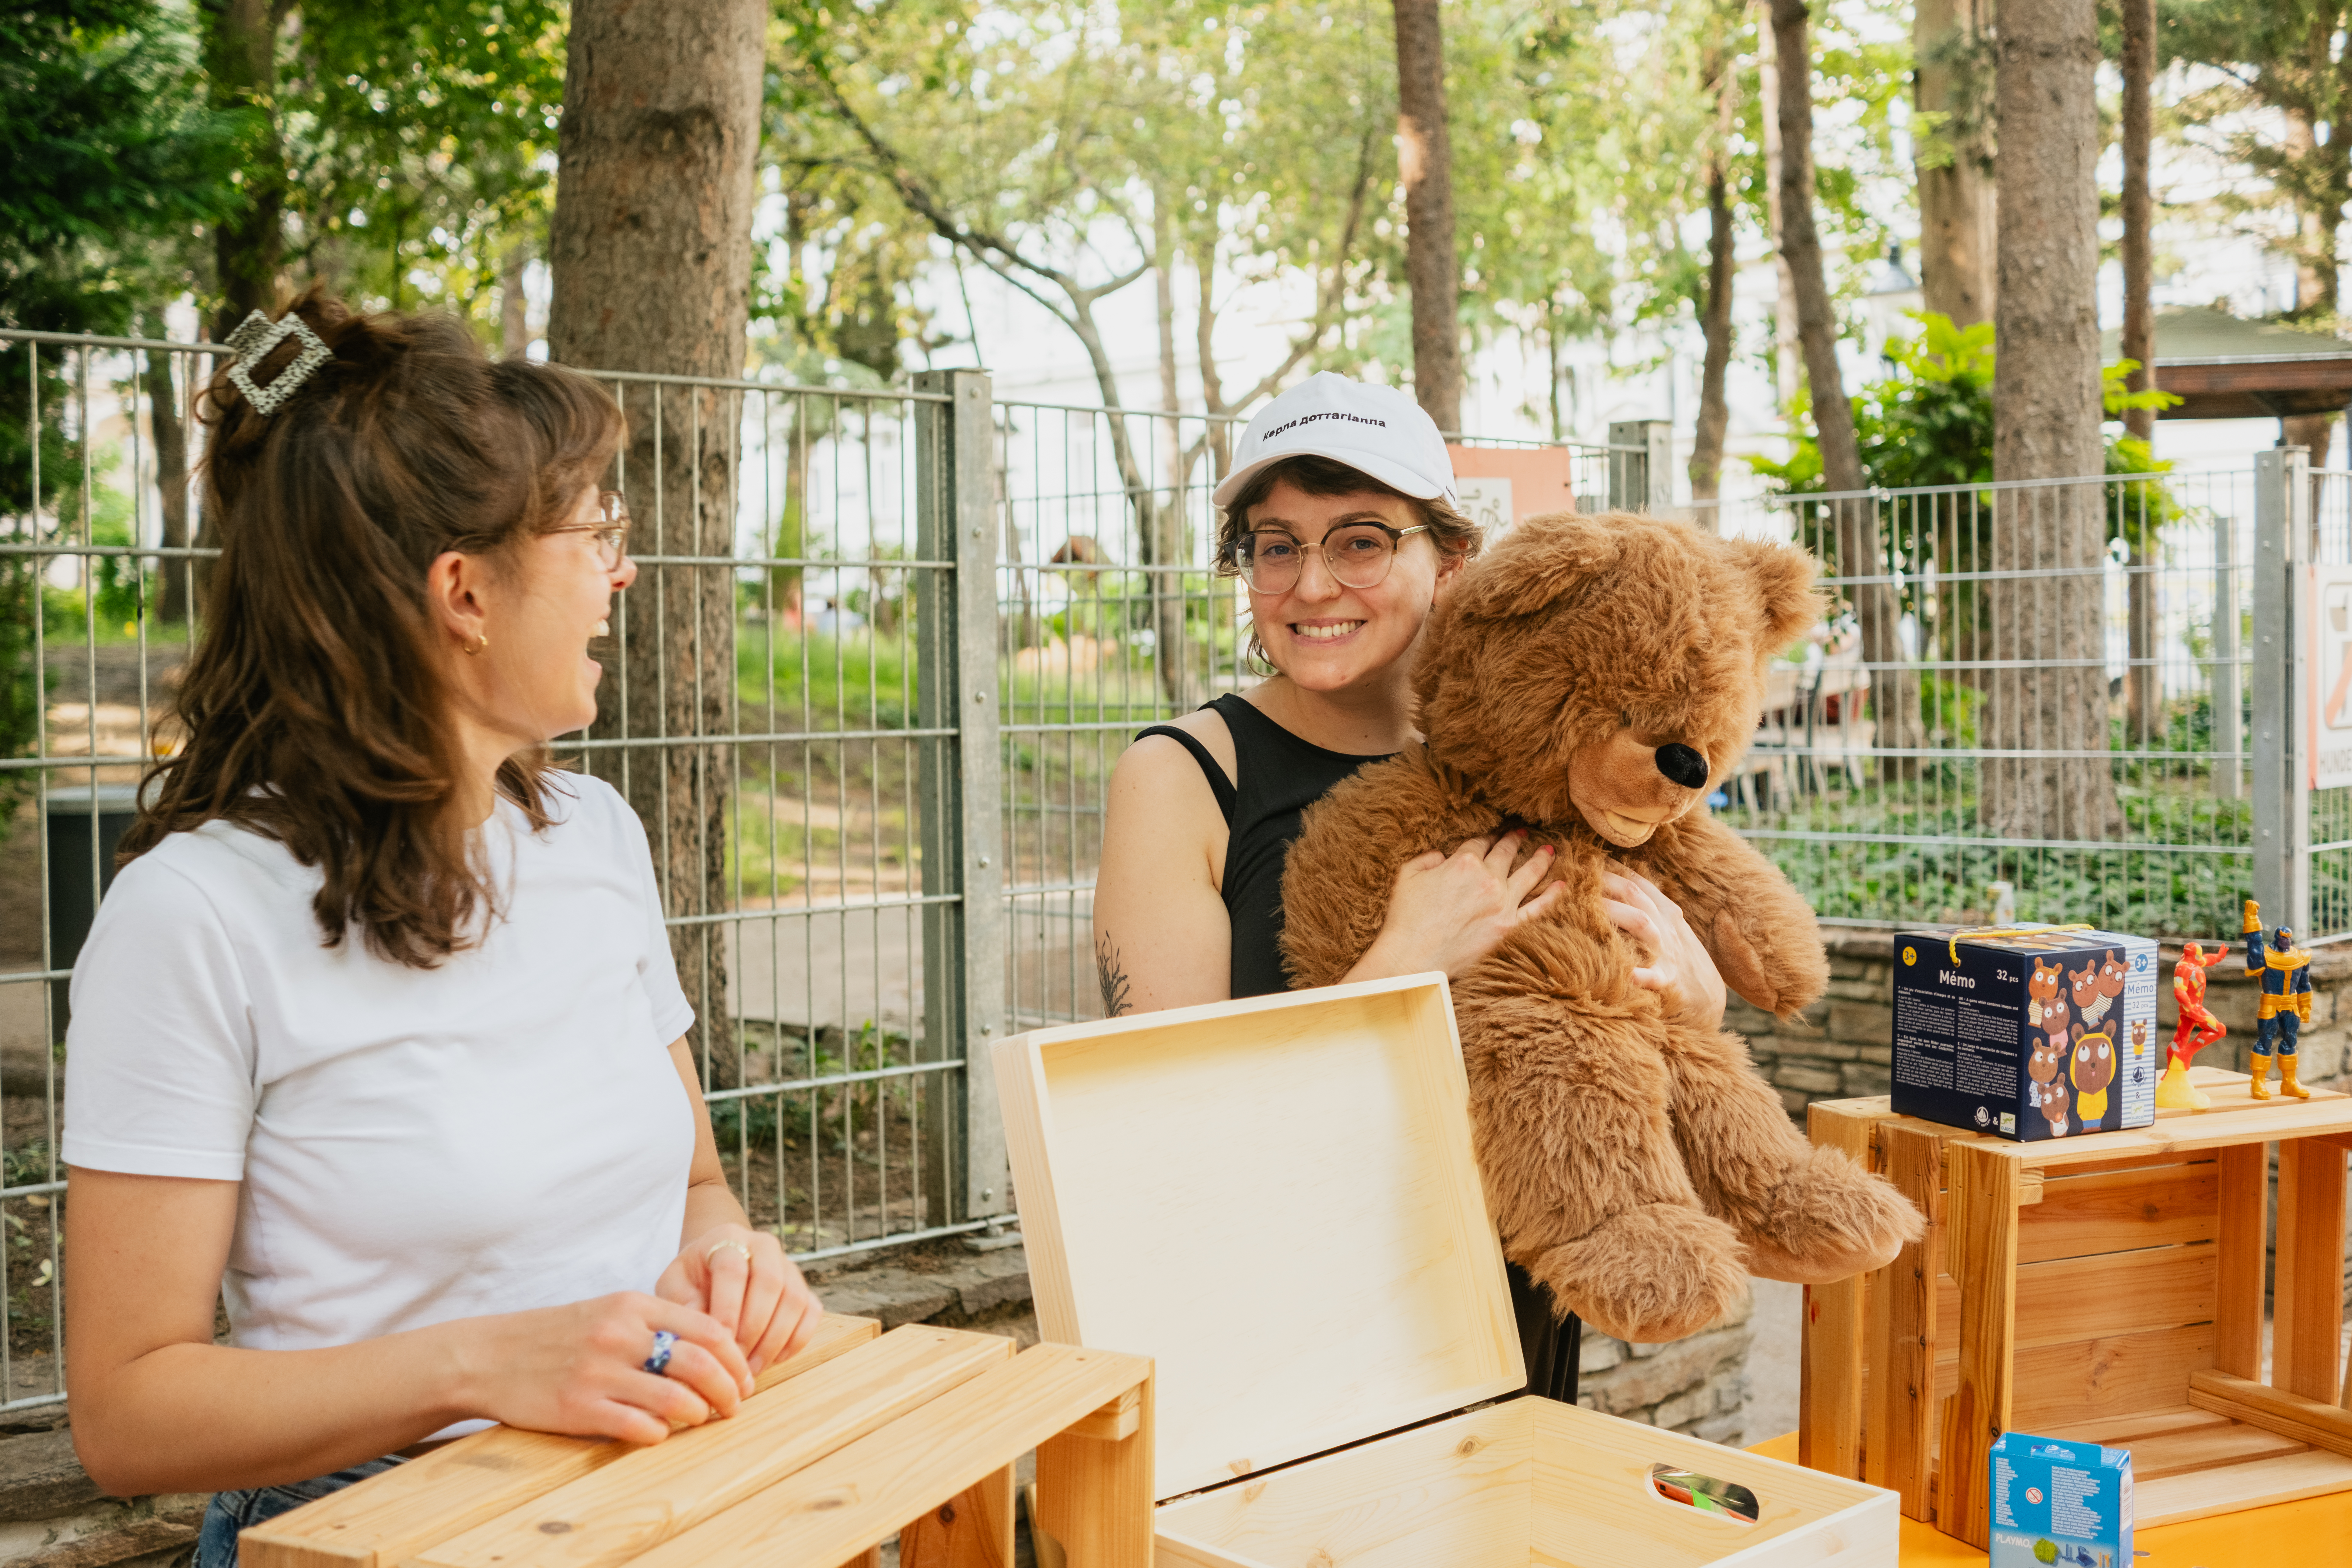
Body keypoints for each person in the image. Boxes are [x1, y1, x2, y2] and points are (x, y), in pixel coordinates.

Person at [61, 293, 820, 1563]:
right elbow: (128, 1413)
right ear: (463, 590)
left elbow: (695, 1186)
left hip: (649, 1494)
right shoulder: (191, 914)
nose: (624, 572)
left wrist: (733, 1256)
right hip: (359, 1526)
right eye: (597, 534)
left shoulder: (595, 836)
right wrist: (483, 1365)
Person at [1090, 372, 1731, 1397]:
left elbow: (1611, 1028)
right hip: (1293, 1342)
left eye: (1361, 540)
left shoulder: (1535, 758)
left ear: (1452, 559)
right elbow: (1169, 1133)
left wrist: (1696, 997)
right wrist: (1399, 965)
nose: (1310, 586)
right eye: (1276, 544)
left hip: (1509, 1310)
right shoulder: (1184, 778)